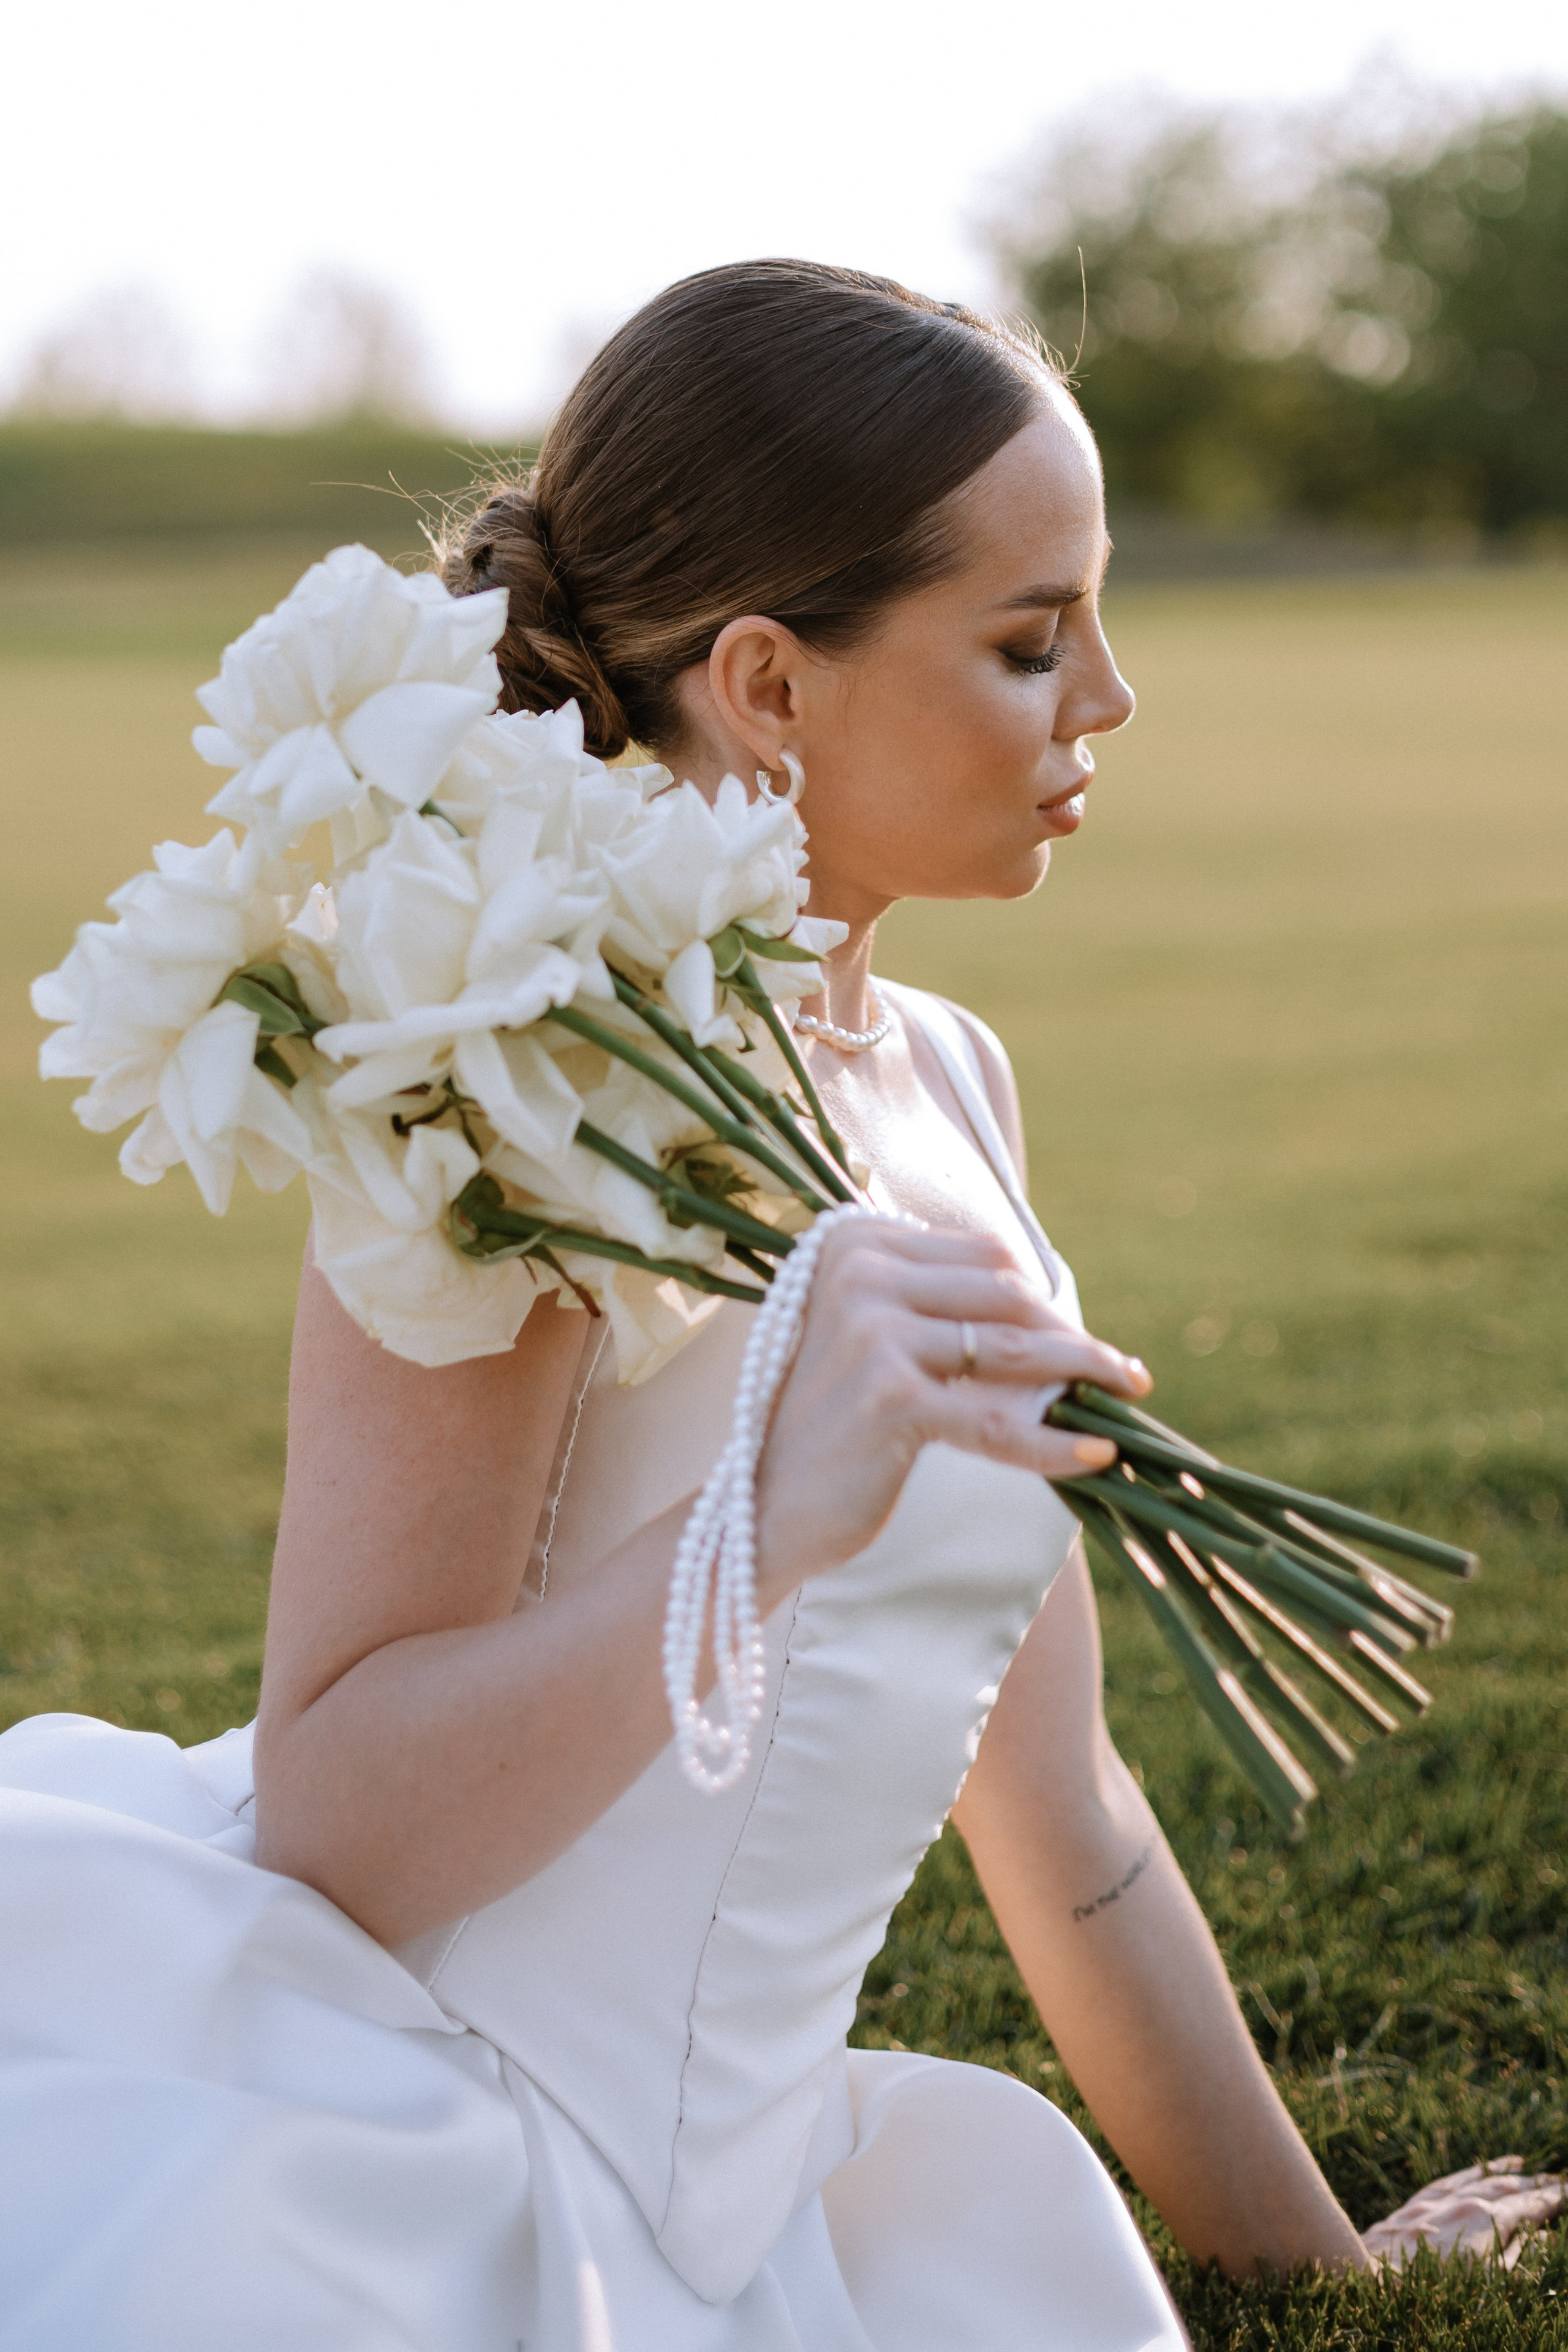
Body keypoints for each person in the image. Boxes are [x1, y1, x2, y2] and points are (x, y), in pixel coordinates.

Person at [0, 260, 1547, 2351]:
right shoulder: (522, 1087)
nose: (1107, 698)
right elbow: (340, 1817)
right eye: (1030, 637)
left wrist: (1335, 2275)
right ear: (770, 679)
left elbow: (1066, 1815)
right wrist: (766, 1512)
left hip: (739, 2187)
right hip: (401, 2142)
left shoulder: (950, 1083)